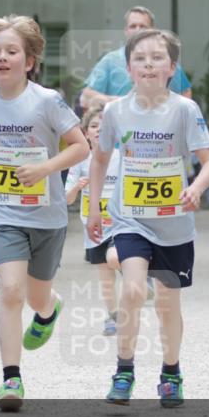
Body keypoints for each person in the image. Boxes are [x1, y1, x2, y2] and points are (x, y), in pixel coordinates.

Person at [0, 15, 89, 411]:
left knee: (37, 297)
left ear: (29, 61)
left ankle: (50, 310)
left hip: (47, 215)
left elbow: (81, 147)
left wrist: (46, 169)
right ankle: (11, 379)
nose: (2, 58)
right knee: (11, 292)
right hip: (6, 212)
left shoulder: (47, 101)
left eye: (11, 51)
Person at [86, 28, 209, 408]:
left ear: (172, 68)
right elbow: (98, 160)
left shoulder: (184, 110)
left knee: (167, 304)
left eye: (157, 57)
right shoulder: (114, 112)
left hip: (174, 225)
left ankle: (171, 372)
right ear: (128, 68)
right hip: (130, 219)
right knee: (131, 289)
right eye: (140, 58)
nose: (148, 63)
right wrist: (95, 206)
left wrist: (195, 189)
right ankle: (124, 370)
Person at [66, 102, 121, 336]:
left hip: (121, 224)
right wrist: (77, 188)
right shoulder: (80, 161)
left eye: (104, 125)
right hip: (94, 227)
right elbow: (66, 199)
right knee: (105, 273)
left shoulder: (122, 157)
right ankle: (114, 316)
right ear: (86, 132)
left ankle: (141, 281)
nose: (99, 129)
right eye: (94, 126)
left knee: (116, 259)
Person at [80, 6, 193, 110]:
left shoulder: (165, 60)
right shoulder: (110, 61)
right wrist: (121, 103)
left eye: (143, 26)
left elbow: (185, 93)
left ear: (153, 30)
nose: (137, 30)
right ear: (126, 31)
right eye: (133, 26)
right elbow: (86, 96)